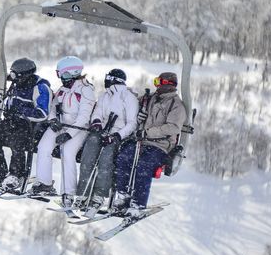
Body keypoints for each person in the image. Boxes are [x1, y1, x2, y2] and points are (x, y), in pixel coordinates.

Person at [113, 72, 186, 217]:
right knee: (123, 157)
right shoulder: (150, 98)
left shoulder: (176, 105)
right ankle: (122, 195)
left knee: (143, 165)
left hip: (160, 146)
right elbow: (133, 106)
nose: (156, 85)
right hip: (141, 141)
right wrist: (138, 113)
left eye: (158, 81)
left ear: (167, 84)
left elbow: (173, 127)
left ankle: (137, 204)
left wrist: (148, 133)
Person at [29, 56, 96, 206]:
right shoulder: (62, 90)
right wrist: (53, 120)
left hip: (78, 128)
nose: (62, 79)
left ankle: (68, 192)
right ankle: (44, 183)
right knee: (43, 147)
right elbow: (53, 106)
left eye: (64, 75)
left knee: (67, 152)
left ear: (74, 73)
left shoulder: (86, 90)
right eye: (60, 75)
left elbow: (84, 117)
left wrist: (69, 134)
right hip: (60, 124)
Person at [74, 68, 138, 216]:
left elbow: (132, 123)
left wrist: (117, 135)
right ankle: (84, 192)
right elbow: (97, 112)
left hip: (118, 135)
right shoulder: (105, 95)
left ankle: (99, 196)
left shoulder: (128, 97)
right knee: (87, 157)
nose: (106, 80)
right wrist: (96, 122)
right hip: (102, 131)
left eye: (108, 77)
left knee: (105, 161)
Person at [0, 57, 51, 192]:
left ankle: (16, 175)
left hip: (30, 125)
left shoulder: (40, 87)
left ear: (24, 74)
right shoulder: (16, 85)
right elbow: (8, 105)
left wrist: (21, 112)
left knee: (16, 139)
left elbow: (42, 113)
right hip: (13, 121)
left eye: (15, 74)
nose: (13, 77)